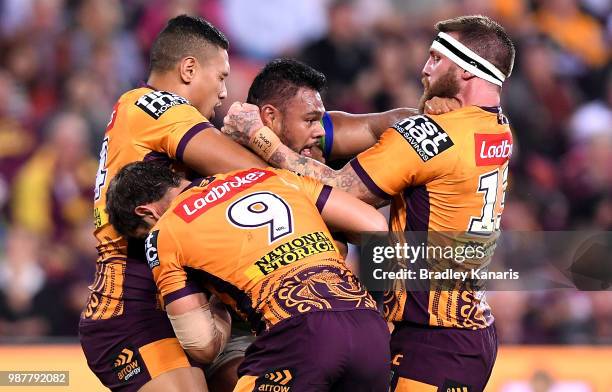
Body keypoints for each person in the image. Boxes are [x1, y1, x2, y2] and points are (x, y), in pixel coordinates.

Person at [222, 15, 516, 392]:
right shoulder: (496, 127)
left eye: (436, 60)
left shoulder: (431, 135)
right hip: (465, 328)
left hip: (433, 339)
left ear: (468, 71)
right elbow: (376, 129)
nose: (424, 70)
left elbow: (338, 192)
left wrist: (262, 139)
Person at [79, 15, 266, 392]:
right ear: (189, 68)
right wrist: (263, 138)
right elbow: (259, 174)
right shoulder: (152, 105)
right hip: (134, 305)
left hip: (183, 302)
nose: (224, 93)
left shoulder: (143, 116)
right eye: (222, 77)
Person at [106, 161, 392, 392]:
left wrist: (219, 300)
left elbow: (201, 344)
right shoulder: (270, 176)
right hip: (369, 328)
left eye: (142, 233)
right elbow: (376, 226)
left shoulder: (164, 231)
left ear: (146, 212)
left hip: (297, 335)